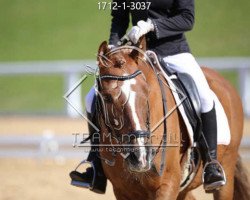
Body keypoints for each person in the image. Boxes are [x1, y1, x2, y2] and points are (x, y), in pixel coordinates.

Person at [70, 0, 226, 193]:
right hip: (135, 55)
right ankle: (96, 165)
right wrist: (113, 45)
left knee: (203, 95)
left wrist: (153, 26)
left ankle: (211, 163)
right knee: (91, 97)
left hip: (173, 52)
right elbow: (119, 18)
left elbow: (187, 19)